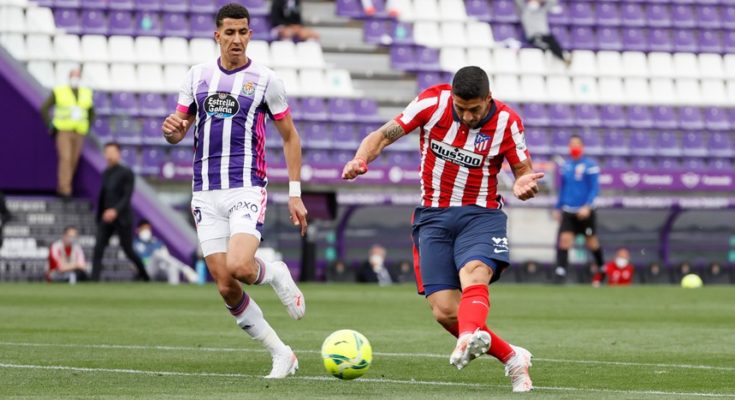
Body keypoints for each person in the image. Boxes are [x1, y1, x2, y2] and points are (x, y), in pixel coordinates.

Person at [342, 66, 542, 392]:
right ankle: (511, 357)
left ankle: (467, 337)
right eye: (461, 108)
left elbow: (522, 170)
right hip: (433, 217)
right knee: (446, 311)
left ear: (488, 99)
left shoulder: (507, 121)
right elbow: (381, 135)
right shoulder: (432, 104)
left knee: (473, 272)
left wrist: (522, 184)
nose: (466, 116)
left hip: (481, 214)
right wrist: (360, 159)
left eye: (474, 109)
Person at [161, 3, 309, 379]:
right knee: (226, 286)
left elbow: (290, 137)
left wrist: (295, 193)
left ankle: (273, 273)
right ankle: (281, 353)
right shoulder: (197, 77)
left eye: (243, 32)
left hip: (246, 185)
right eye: (230, 33)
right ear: (217, 35)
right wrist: (173, 131)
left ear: (250, 35)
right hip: (204, 191)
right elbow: (181, 127)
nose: (237, 40)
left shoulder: (265, 79)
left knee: (241, 266)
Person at [91, 142, 150, 282]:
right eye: (107, 152)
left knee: (128, 250)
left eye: (112, 152)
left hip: (122, 217)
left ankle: (145, 276)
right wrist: (100, 215)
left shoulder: (126, 172)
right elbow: (103, 196)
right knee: (98, 247)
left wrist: (115, 211)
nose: (109, 155)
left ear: (118, 154)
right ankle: (93, 280)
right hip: (106, 218)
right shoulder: (105, 172)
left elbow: (127, 196)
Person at [553, 134, 603, 283]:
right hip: (568, 210)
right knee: (564, 240)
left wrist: (587, 206)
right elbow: (563, 188)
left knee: (592, 242)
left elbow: (594, 188)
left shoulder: (590, 165)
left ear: (582, 147)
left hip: (585, 211)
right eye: (571, 144)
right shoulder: (566, 166)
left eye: (576, 144)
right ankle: (560, 273)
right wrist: (557, 207)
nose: (574, 147)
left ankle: (601, 268)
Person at [40, 67, 95, 199]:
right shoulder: (60, 91)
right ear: (69, 77)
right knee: (65, 158)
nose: (75, 78)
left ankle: (64, 186)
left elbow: (91, 112)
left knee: (73, 161)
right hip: (63, 131)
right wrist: (50, 124)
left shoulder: (86, 93)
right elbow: (44, 108)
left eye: (78, 76)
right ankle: (65, 190)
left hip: (79, 131)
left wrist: (87, 125)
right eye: (73, 75)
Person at [133, 220, 198, 284]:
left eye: (148, 228)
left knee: (172, 266)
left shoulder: (157, 243)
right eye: (144, 228)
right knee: (156, 254)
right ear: (138, 230)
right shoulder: (134, 244)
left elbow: (166, 257)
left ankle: (174, 290)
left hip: (160, 269)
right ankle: (185, 269)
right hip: (144, 270)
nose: (146, 231)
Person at [514, 0, 571, 66]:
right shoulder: (524, 11)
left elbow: (553, 2)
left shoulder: (542, 11)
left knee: (553, 43)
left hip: (546, 36)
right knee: (544, 47)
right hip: (534, 37)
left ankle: (564, 59)